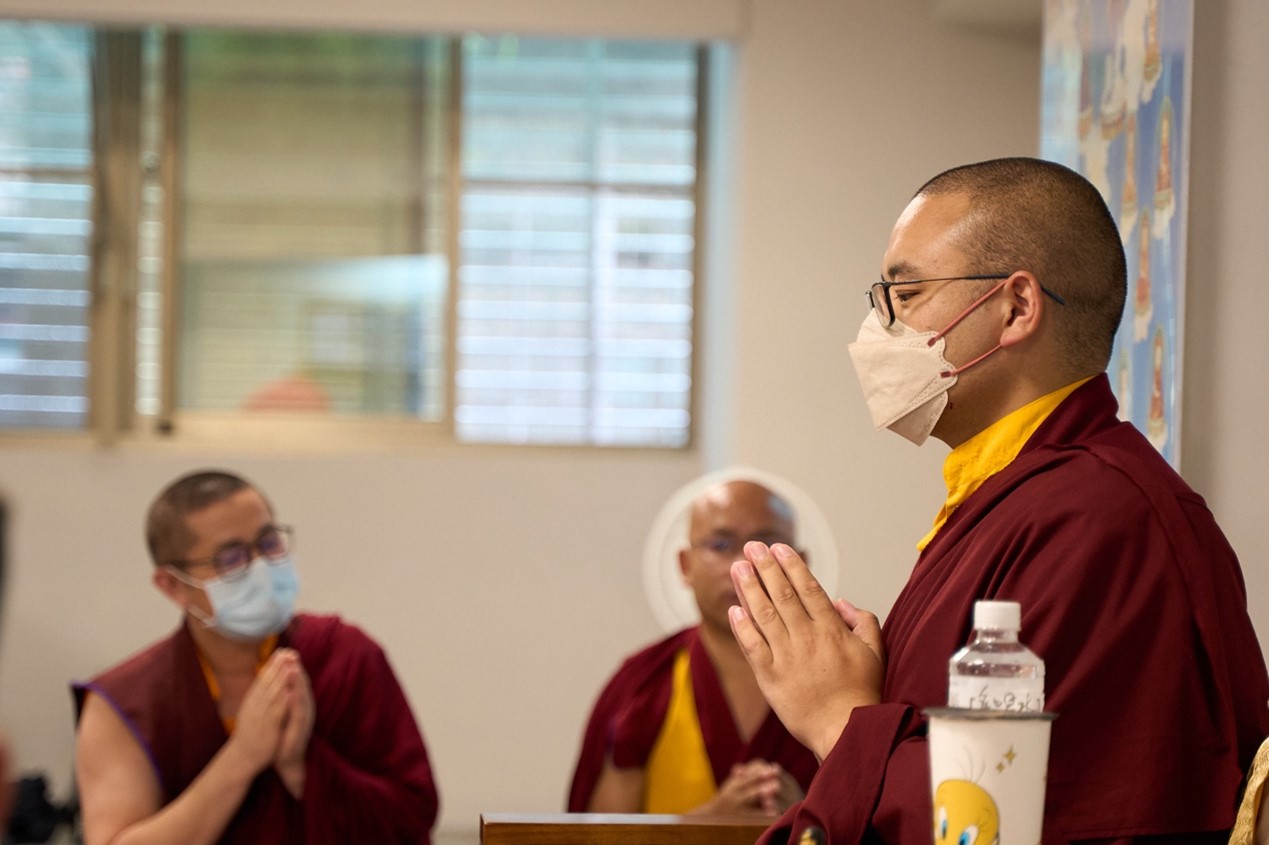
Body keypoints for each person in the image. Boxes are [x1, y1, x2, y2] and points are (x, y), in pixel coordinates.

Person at [724, 157, 1269, 844]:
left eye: (905, 293)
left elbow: (1027, 816)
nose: (879, 327)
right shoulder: (1009, 498)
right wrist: (872, 694)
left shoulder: (1102, 519)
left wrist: (839, 719)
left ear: (1015, 308)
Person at [72, 470, 438, 844]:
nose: (261, 567)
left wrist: (301, 766)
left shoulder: (345, 655)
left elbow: (413, 817)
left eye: (268, 542)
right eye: (231, 558)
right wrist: (243, 757)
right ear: (173, 585)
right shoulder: (125, 703)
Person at [568, 478, 819, 817]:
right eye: (721, 544)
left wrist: (805, 820)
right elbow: (597, 836)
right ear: (685, 566)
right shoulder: (643, 686)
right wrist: (705, 825)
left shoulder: (837, 675)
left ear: (800, 563)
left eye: (766, 545)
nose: (741, 568)